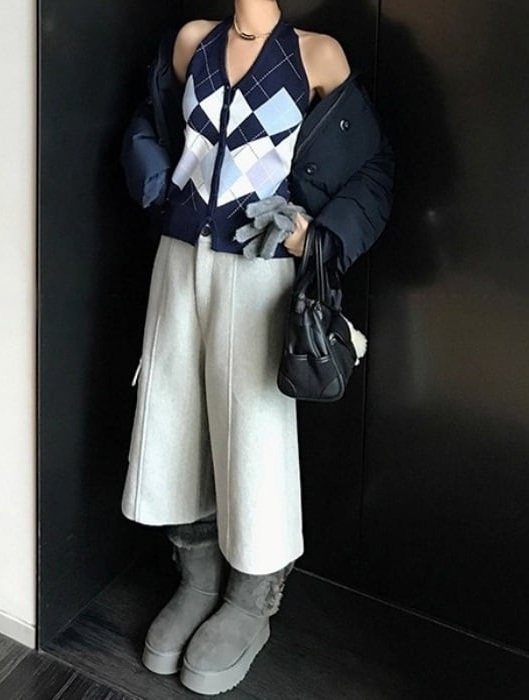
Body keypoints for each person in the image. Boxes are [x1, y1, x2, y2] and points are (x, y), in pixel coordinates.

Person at [120, 0, 395, 694]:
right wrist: (154, 179)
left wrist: (312, 236)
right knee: (176, 417)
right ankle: (196, 577)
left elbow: (372, 166)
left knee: (253, 431)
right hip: (178, 263)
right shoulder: (192, 42)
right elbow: (153, 123)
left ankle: (252, 596)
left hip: (258, 271)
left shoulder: (315, 55)